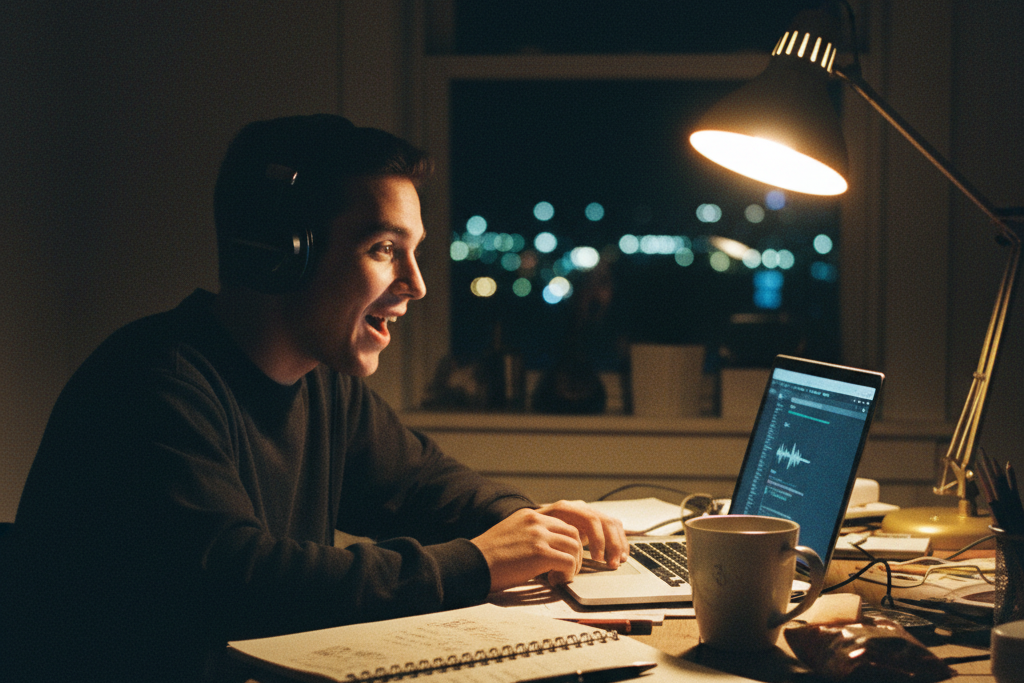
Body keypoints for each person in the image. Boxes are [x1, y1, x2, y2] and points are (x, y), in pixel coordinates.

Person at [2, 115, 628, 682]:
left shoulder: (323, 386)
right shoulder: (151, 384)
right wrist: (477, 562)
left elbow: (426, 486)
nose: (416, 284)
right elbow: (248, 581)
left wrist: (531, 525)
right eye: (384, 249)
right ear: (281, 254)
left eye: (414, 252)